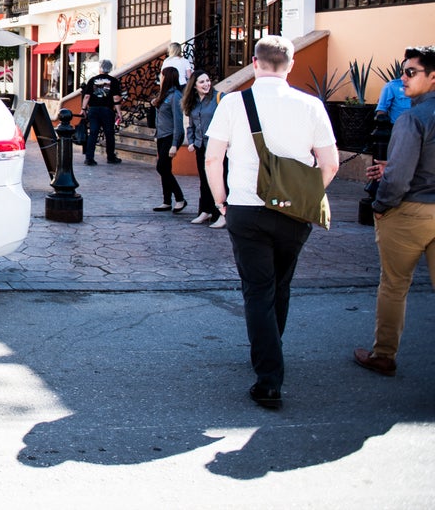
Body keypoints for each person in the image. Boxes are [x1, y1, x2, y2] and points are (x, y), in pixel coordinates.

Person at [205, 36, 339, 410]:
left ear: (254, 62)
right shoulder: (311, 105)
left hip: (246, 207)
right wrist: (306, 194)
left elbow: (213, 158)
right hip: (295, 211)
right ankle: (271, 353)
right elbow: (329, 164)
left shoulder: (234, 102)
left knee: (258, 289)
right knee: (280, 284)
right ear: (291, 65)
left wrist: (220, 201)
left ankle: (268, 376)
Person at [353, 45, 435, 377]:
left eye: (411, 72)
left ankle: (383, 354)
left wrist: (381, 204)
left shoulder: (412, 118)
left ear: (432, 77)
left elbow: (399, 177)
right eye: (403, 71)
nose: (403, 78)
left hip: (410, 210)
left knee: (394, 284)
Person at [183, 69, 225, 227]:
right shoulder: (192, 102)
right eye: (202, 82)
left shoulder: (219, 98)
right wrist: (192, 141)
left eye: (208, 80)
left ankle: (222, 214)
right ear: (194, 85)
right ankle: (205, 211)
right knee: (204, 181)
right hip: (201, 147)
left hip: (217, 147)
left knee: (219, 180)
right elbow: (191, 124)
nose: (206, 84)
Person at [151, 65, 187, 213]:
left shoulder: (175, 96)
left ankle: (180, 198)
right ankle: (167, 201)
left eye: (162, 75)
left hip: (171, 136)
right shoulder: (164, 94)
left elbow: (178, 122)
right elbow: (160, 117)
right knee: (165, 168)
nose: (160, 77)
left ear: (167, 77)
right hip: (162, 135)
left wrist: (174, 144)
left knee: (161, 167)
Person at [80, 59, 122, 166]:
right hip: (107, 110)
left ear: (100, 68)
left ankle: (89, 158)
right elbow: (116, 98)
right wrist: (119, 112)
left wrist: (83, 109)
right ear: (110, 68)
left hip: (93, 109)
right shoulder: (114, 81)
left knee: (93, 133)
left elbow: (87, 96)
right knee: (109, 134)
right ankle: (111, 157)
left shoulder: (92, 80)